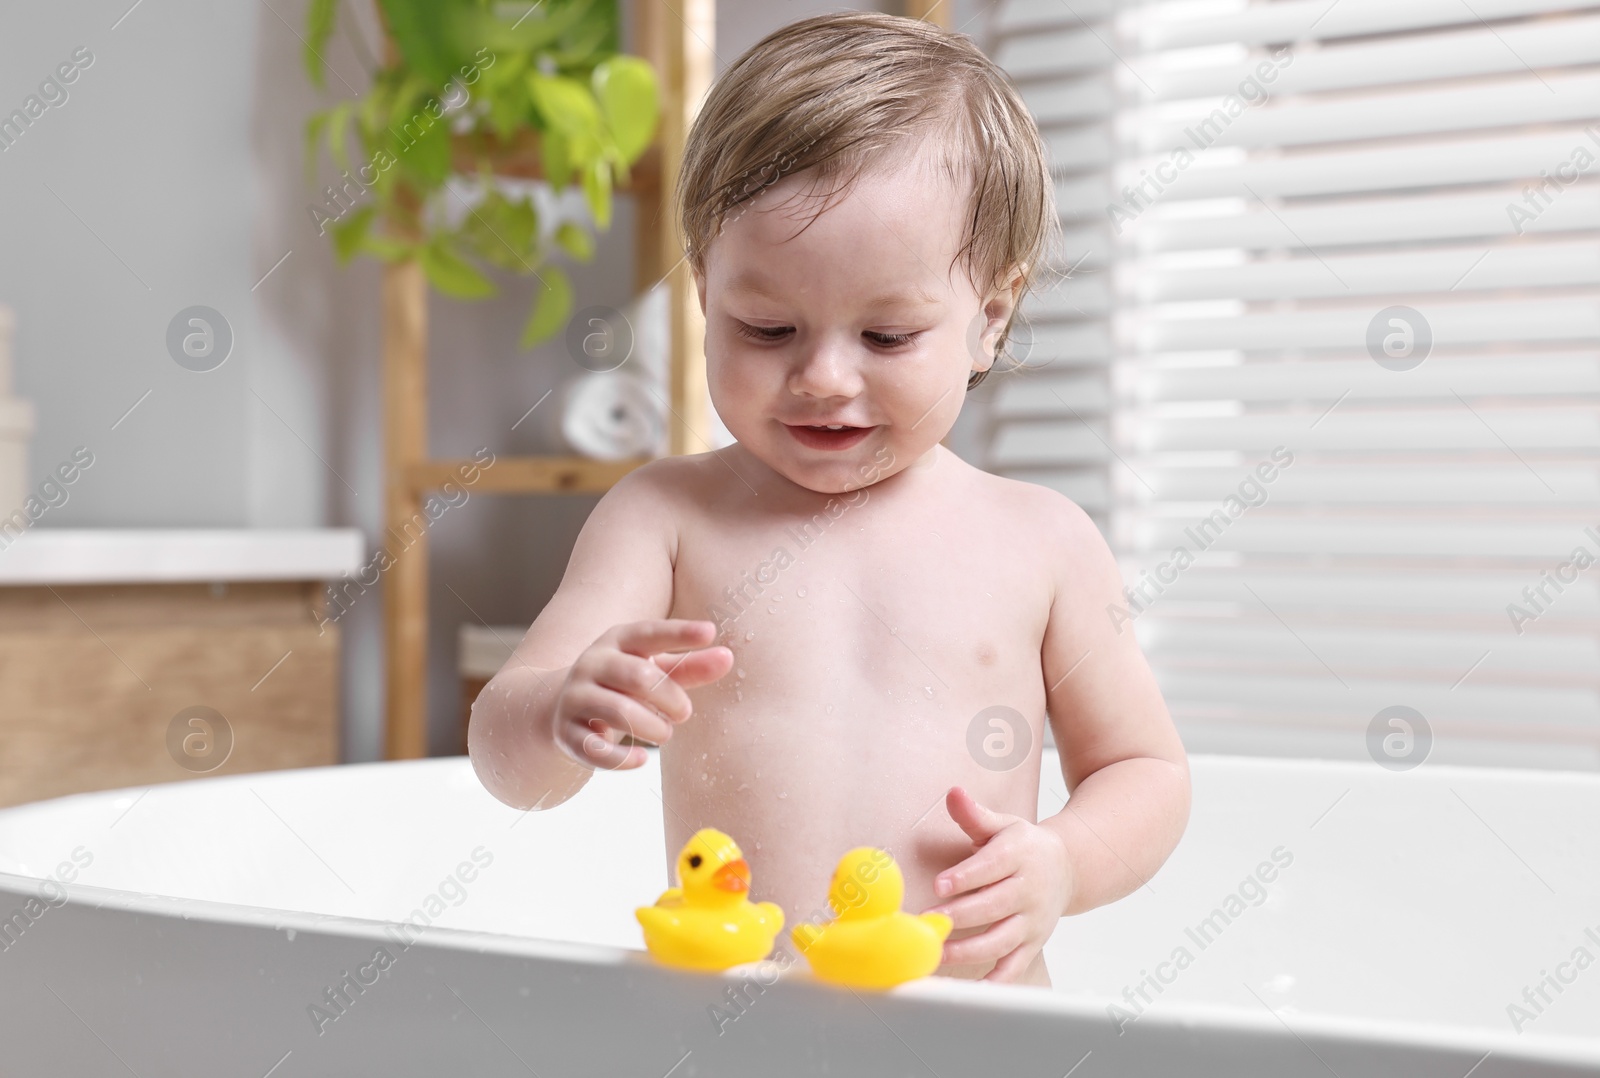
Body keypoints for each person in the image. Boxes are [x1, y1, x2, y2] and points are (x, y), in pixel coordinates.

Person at [469, 10, 1190, 986]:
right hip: (735, 1033)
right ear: (704, 295)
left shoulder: (1041, 542)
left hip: (977, 1035)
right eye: (766, 327)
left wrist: (1062, 861)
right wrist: (561, 711)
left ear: (989, 318)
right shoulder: (665, 520)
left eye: (886, 337)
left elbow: (1144, 773)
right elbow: (512, 768)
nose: (822, 378)